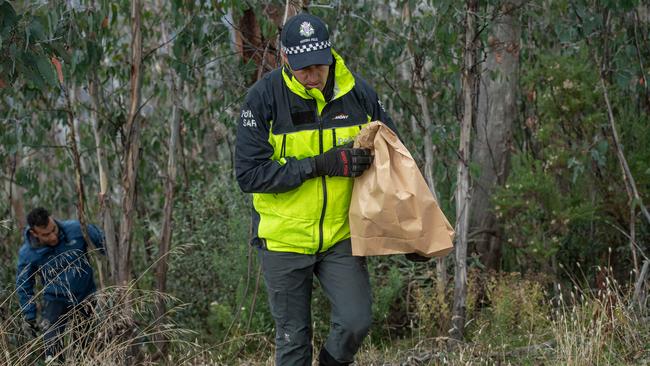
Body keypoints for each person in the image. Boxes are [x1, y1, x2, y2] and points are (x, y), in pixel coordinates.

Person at [235, 13, 399, 366]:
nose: (312, 76)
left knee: (356, 322)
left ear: (329, 54)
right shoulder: (263, 99)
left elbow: (394, 157)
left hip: (341, 236)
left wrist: (411, 232)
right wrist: (318, 165)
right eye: (302, 69)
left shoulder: (358, 93)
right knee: (293, 343)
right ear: (284, 59)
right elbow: (249, 175)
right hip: (283, 240)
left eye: (318, 66)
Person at [16, 207, 104, 361]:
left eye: (53, 230)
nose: (53, 236)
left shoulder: (77, 229)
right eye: (46, 235)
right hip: (55, 299)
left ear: (53, 219)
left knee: (85, 348)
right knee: (51, 348)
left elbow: (105, 243)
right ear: (34, 233)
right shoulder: (28, 253)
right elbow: (24, 285)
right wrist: (29, 316)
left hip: (85, 295)